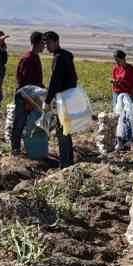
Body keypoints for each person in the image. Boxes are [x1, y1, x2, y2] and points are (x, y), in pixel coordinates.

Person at [43, 31, 78, 168]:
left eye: (48, 43)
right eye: (45, 44)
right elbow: (74, 79)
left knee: (62, 131)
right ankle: (67, 161)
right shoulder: (66, 56)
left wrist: (47, 100)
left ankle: (65, 164)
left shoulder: (59, 57)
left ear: (56, 41)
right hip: (68, 97)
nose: (47, 47)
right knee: (65, 131)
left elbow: (55, 82)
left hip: (62, 99)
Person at [110, 50, 133, 149]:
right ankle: (119, 139)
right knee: (118, 116)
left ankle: (128, 138)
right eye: (115, 61)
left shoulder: (131, 69)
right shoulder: (115, 69)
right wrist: (115, 83)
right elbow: (115, 80)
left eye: (118, 60)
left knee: (127, 117)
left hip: (127, 94)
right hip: (117, 94)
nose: (117, 63)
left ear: (123, 59)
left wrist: (122, 83)